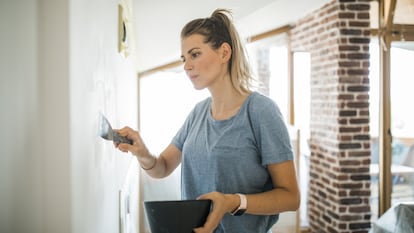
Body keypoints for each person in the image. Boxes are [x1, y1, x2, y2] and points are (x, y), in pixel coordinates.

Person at [115, 8, 300, 233]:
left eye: (195, 54)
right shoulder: (198, 113)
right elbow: (162, 168)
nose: (186, 66)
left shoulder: (261, 111)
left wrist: (232, 202)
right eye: (184, 58)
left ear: (224, 53)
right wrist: (142, 152)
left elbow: (290, 197)